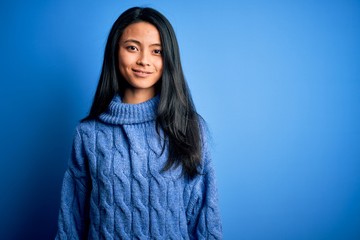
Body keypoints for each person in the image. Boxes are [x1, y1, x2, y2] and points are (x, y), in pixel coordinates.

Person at [55, 6, 222, 239]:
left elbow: (204, 216)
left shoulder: (189, 128)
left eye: (157, 51)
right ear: (115, 51)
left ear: (169, 59)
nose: (144, 60)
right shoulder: (88, 134)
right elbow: (71, 220)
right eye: (132, 48)